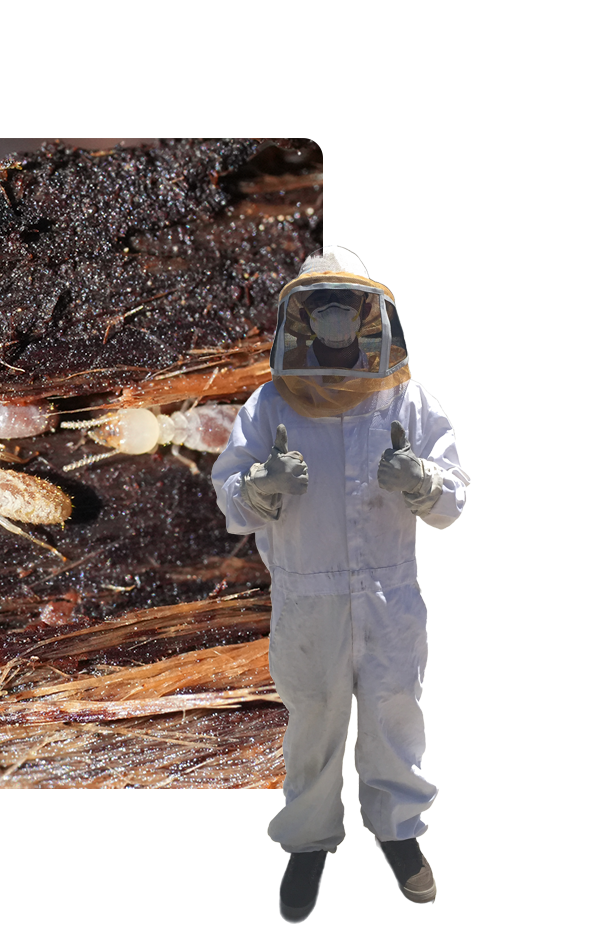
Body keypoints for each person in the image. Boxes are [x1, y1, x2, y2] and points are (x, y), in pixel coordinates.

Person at [212, 246, 467, 924]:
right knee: (314, 726)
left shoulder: (407, 396)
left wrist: (423, 481)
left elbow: (458, 496)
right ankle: (309, 840)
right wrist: (260, 487)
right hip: (307, 597)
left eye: (345, 308)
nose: (333, 320)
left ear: (369, 318)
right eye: (319, 308)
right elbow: (230, 496)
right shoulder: (271, 401)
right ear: (299, 319)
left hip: (388, 595)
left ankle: (399, 830)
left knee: (394, 714)